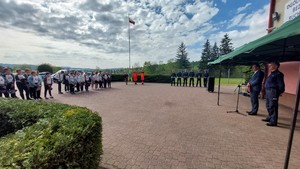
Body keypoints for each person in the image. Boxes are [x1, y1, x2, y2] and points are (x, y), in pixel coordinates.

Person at [262, 62, 285, 126]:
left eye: (271, 65)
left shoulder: (278, 74)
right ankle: (270, 117)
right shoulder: (272, 74)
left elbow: (281, 85)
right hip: (268, 91)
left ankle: (273, 121)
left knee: (273, 106)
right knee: (268, 105)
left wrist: (278, 92)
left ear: (276, 66)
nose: (269, 66)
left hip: (273, 91)